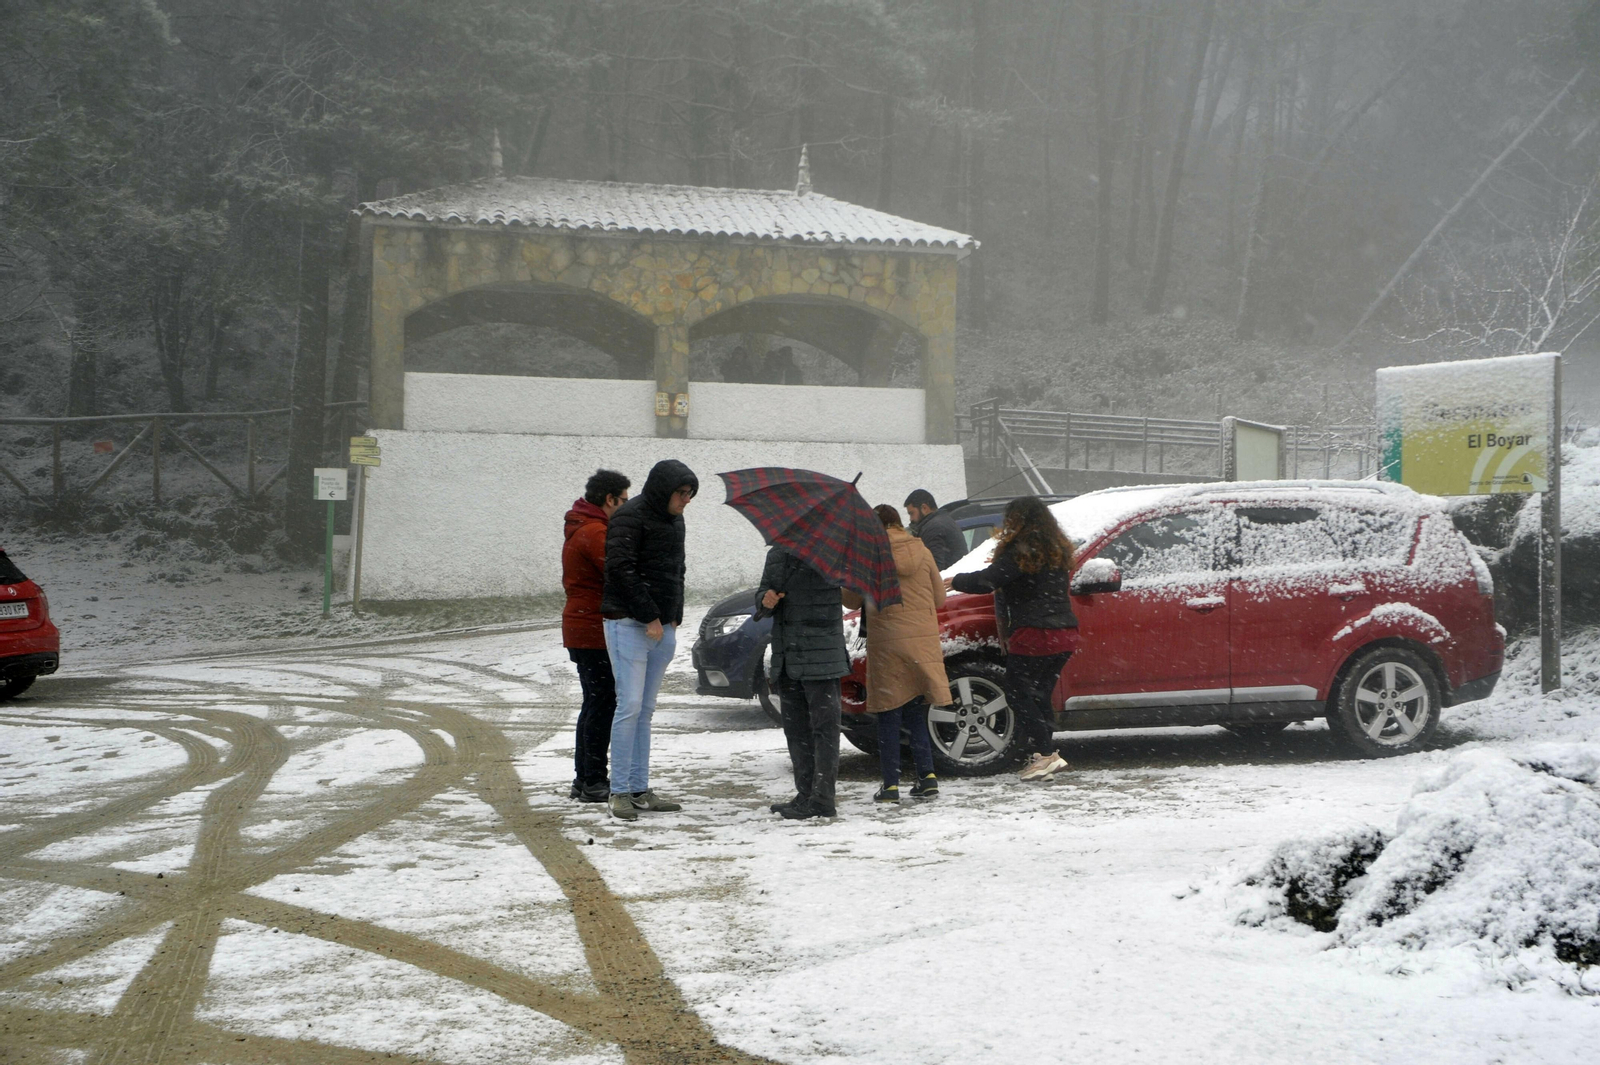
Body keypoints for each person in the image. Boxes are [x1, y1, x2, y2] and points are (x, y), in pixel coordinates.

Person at [945, 496, 1078, 781]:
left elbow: (990, 579)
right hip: (1064, 633)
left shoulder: (1023, 549)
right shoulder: (1055, 548)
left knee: (1017, 692)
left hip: (1035, 632)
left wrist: (956, 581)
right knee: (1039, 694)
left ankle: (1044, 755)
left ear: (1017, 519)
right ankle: (1044, 756)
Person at [600, 459, 698, 821]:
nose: (686, 500)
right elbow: (621, 568)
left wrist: (673, 616)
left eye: (690, 495)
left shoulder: (676, 520)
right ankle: (619, 791)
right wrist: (649, 615)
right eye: (682, 493)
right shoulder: (629, 516)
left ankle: (640, 787)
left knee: (645, 710)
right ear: (663, 489)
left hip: (662, 626)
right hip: (628, 624)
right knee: (629, 706)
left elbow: (677, 570)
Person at [843, 505, 949, 804]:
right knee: (917, 712)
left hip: (888, 642)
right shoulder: (922, 549)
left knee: (889, 715)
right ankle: (927, 778)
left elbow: (850, 599)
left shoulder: (869, 555)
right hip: (921, 642)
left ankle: (890, 785)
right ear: (898, 523)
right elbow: (940, 598)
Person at [757, 546, 849, 820]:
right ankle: (805, 794)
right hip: (788, 656)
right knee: (796, 731)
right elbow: (762, 594)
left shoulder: (834, 554)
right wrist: (765, 600)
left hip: (822, 657)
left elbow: (851, 598)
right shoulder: (777, 555)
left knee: (824, 730)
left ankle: (822, 799)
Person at [563, 468, 631, 803]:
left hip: (583, 627)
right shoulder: (594, 532)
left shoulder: (585, 527)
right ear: (609, 499)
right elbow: (620, 570)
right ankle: (592, 780)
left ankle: (584, 779)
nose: (626, 508)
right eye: (624, 501)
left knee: (595, 703)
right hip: (592, 629)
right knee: (602, 704)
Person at [904, 489, 967, 571]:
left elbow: (935, 567)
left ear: (924, 508)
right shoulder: (945, 519)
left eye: (912, 513)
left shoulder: (933, 528)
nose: (911, 519)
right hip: (955, 577)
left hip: (947, 580)